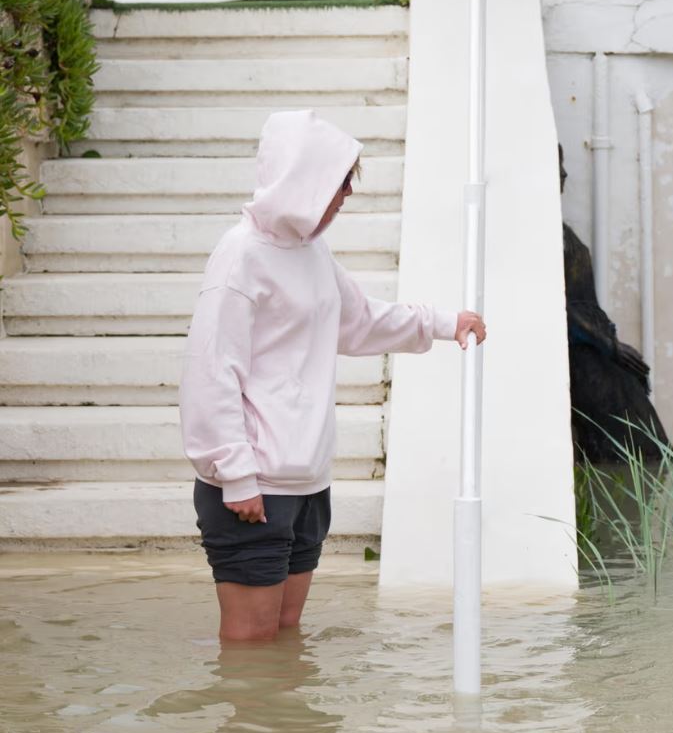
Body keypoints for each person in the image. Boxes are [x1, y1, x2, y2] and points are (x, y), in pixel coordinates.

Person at [180, 110, 486, 642]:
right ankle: (252, 730)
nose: (347, 195)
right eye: (342, 183)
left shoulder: (311, 252)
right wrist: (235, 473)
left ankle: (291, 729)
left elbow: (358, 321)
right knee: (251, 646)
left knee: (284, 634)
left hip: (307, 482)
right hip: (254, 488)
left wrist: (443, 322)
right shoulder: (240, 258)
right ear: (306, 181)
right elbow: (211, 372)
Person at [558, 145, 670, 463]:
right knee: (637, 445)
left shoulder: (563, 234)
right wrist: (613, 348)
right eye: (557, 165)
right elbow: (559, 312)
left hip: (598, 349)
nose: (565, 173)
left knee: (647, 441)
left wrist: (613, 347)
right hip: (587, 356)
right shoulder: (548, 238)